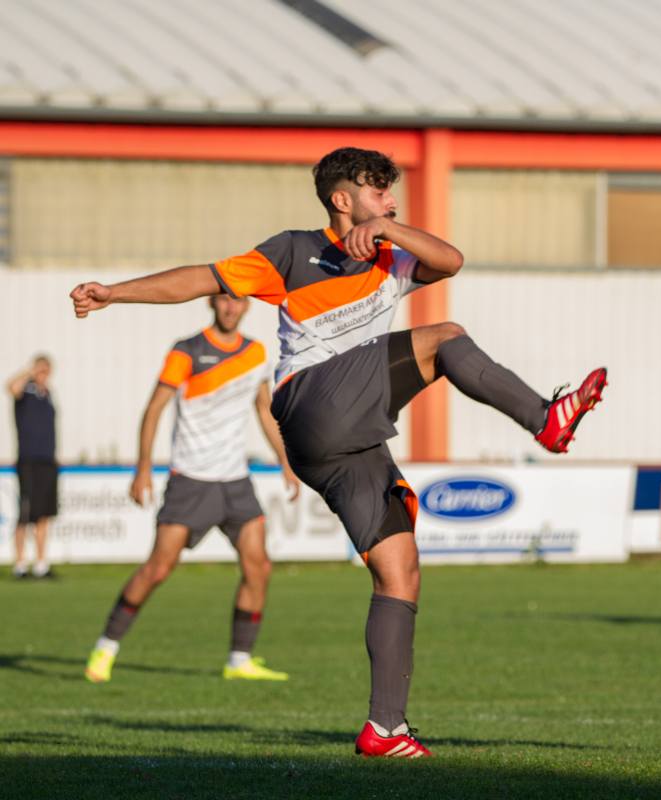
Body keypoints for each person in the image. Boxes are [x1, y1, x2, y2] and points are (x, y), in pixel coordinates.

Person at [70, 146, 607, 758]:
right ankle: (545, 419)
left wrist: (388, 230)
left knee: (399, 570)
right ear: (342, 199)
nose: (391, 201)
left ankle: (386, 729)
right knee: (446, 338)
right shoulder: (293, 251)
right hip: (311, 401)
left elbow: (451, 261)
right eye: (379, 192)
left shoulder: (390, 255)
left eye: (392, 192)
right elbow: (200, 278)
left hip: (340, 444)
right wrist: (113, 293)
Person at [85, 295, 301, 683]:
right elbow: (154, 409)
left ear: (246, 307)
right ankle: (106, 647)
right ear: (212, 303)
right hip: (190, 480)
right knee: (158, 569)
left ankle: (239, 660)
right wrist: (143, 469)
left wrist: (286, 461)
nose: (230, 308)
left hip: (235, 481)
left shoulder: (255, 353)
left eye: (237, 301)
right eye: (224, 300)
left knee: (259, 567)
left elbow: (263, 409)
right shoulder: (187, 350)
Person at [8, 355, 58, 579]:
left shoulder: (48, 395)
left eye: (47, 371)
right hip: (29, 460)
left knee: (44, 514)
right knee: (25, 513)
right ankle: (20, 564)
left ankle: (41, 564)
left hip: (47, 461)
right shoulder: (25, 392)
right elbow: (10, 387)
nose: (43, 375)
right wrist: (29, 371)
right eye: (41, 370)